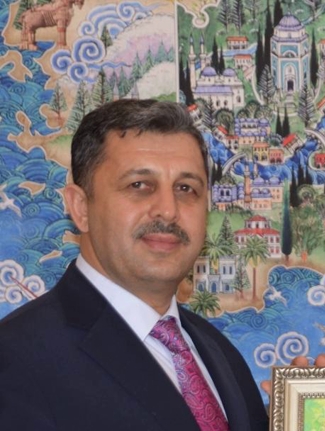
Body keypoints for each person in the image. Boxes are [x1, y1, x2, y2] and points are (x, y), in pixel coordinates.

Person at [0, 99, 268, 431]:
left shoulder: (221, 354)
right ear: (81, 208)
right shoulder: (16, 361)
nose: (168, 210)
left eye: (186, 188)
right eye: (139, 185)